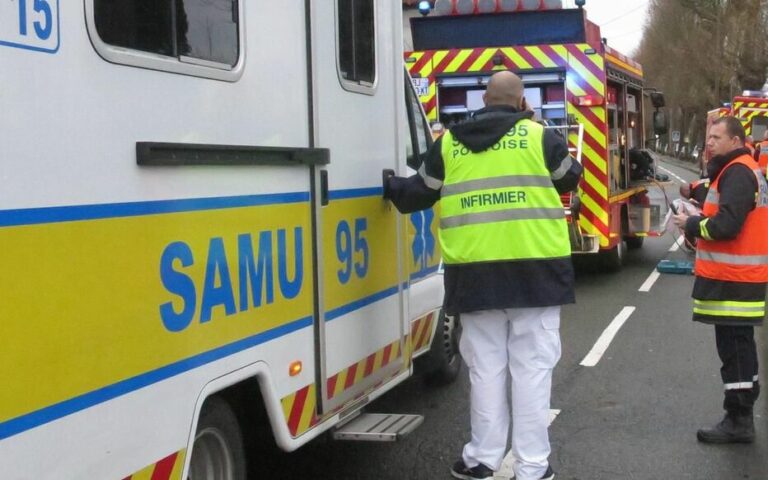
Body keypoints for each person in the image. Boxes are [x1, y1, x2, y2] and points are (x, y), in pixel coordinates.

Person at [384, 71, 582, 480]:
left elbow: (416, 194)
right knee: (531, 370)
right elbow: (570, 176)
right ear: (521, 102)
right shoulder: (538, 137)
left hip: (474, 275)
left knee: (486, 368)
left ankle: (482, 459)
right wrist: (534, 124)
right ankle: (531, 468)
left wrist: (389, 185)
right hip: (536, 272)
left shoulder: (450, 145)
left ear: (483, 101)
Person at [672, 116, 768, 444]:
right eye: (708, 136)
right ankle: (739, 415)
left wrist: (692, 224)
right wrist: (696, 193)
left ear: (736, 140)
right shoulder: (737, 169)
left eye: (716, 137)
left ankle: (739, 420)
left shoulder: (739, 172)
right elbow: (724, 200)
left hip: (735, 278)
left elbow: (726, 224)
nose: (709, 142)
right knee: (736, 345)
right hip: (737, 276)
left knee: (736, 348)